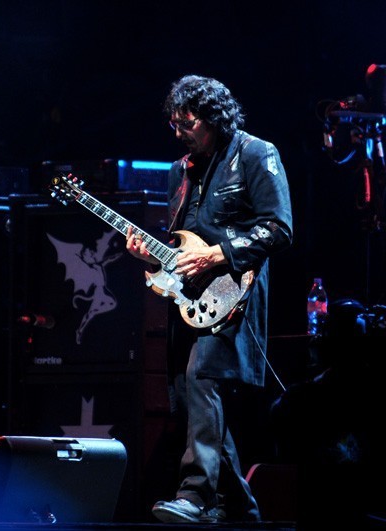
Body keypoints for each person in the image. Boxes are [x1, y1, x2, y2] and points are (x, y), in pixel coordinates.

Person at [125, 75, 293, 523]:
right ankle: (238, 506)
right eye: (174, 124)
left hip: (235, 293)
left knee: (201, 379)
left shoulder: (256, 153)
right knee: (187, 392)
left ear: (214, 118)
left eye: (188, 123)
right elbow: (181, 244)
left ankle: (196, 493)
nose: (179, 132)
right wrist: (150, 256)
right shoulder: (179, 171)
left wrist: (218, 254)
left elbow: (279, 228)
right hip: (191, 297)